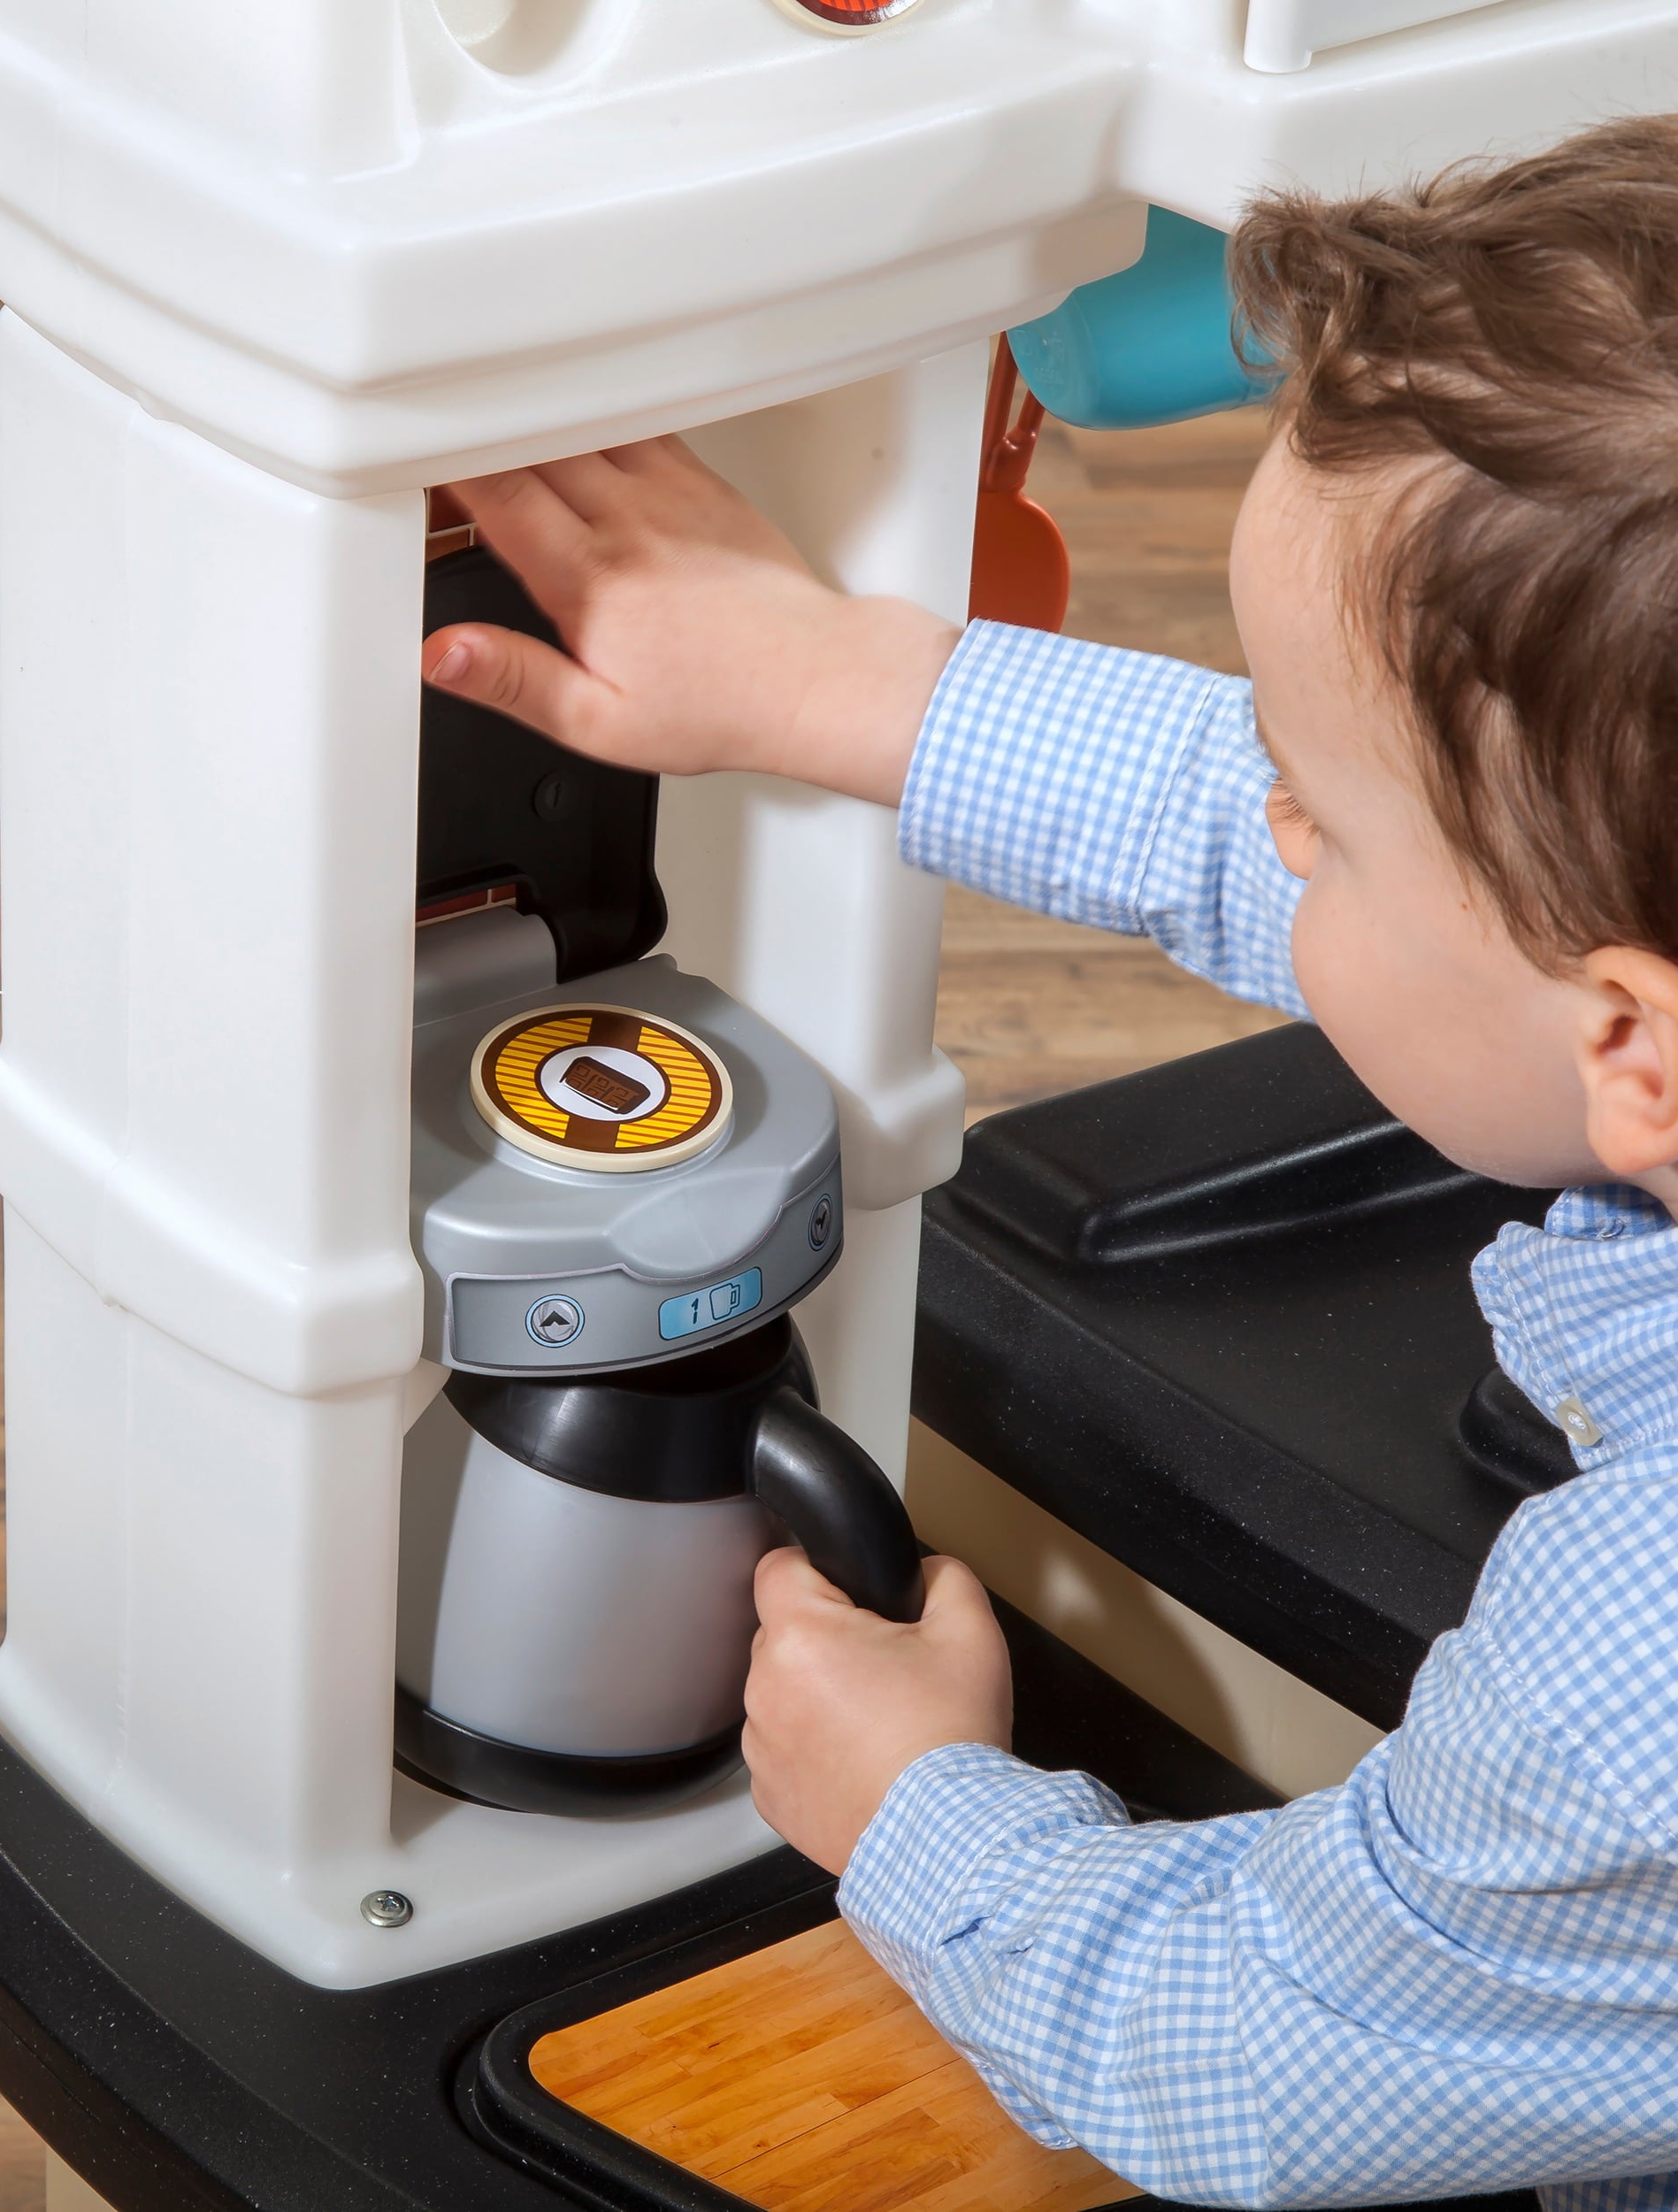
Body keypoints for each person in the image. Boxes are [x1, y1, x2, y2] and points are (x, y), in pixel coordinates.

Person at [421, 119, 1678, 2211]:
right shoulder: (1595, 953)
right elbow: (1387, 873)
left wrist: (915, 1802)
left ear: (1627, 1040)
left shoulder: (1626, 1678)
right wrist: (826, 681)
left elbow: (1253, 2055)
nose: (1266, 823)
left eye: (1317, 817)